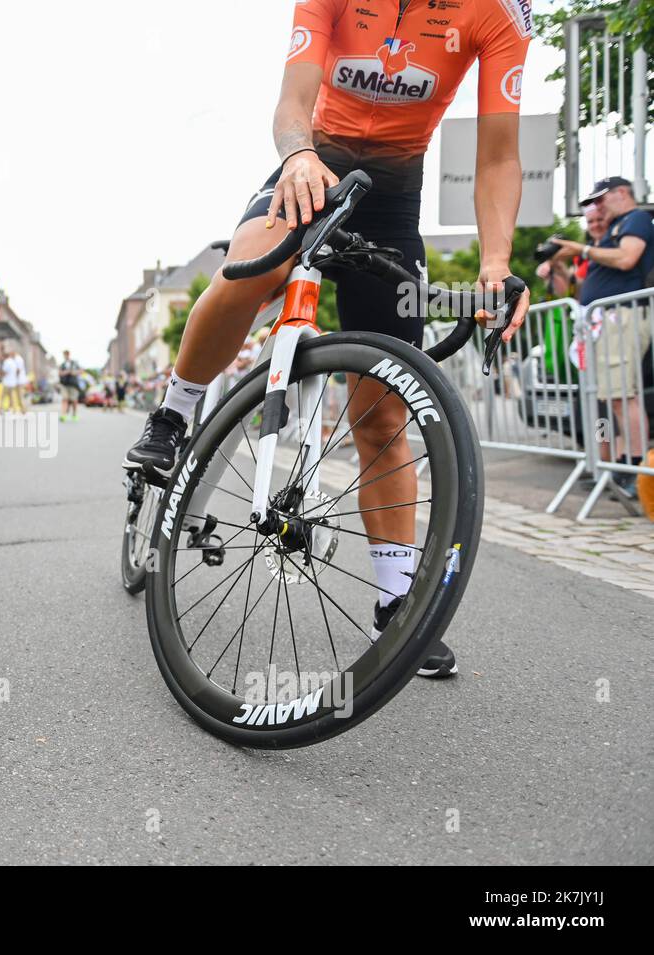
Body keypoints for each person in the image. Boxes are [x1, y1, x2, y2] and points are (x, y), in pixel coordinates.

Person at [123, 0, 533, 679]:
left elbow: (497, 157)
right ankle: (176, 408)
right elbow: (293, 101)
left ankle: (398, 601)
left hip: (395, 193)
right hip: (314, 160)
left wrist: (494, 262)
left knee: (382, 413)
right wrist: (300, 155)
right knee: (250, 267)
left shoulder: (498, 13)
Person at [556, 177, 654, 495]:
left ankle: (635, 468)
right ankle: (613, 465)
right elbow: (574, 288)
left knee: (623, 396)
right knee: (608, 401)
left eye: (601, 201)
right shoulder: (605, 238)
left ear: (621, 194)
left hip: (618, 318)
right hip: (597, 325)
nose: (597, 209)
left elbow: (627, 259)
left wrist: (582, 249)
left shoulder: (636, 219)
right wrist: (558, 264)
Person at [58, 350, 81, 421]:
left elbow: (80, 371)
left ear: (69, 355)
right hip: (64, 385)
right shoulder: (62, 365)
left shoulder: (74, 363)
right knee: (64, 399)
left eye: (67, 354)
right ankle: (63, 415)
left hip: (73, 385)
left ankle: (74, 414)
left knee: (74, 400)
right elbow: (59, 373)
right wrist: (66, 372)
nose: (66, 356)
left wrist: (73, 372)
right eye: (64, 354)